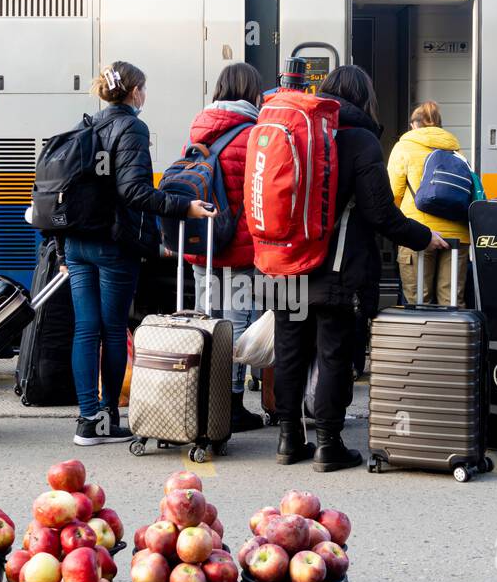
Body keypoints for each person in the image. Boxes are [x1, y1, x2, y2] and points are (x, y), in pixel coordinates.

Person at [274, 65, 446, 472]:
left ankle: (287, 439)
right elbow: (380, 213)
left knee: (290, 350)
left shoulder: (299, 130)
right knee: (334, 351)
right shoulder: (360, 139)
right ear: (365, 98)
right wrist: (424, 237)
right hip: (336, 267)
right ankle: (328, 444)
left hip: (285, 261)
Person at [61, 61, 216, 447]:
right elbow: (134, 192)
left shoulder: (87, 126)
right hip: (113, 242)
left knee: (85, 329)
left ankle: (87, 420)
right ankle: (109, 418)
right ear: (134, 92)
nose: (145, 96)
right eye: (143, 89)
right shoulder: (131, 127)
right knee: (113, 329)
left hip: (76, 242)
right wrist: (186, 207)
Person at [185, 62, 264, 432]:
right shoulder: (253, 135)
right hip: (239, 247)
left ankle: (202, 401)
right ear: (252, 92)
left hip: (204, 243)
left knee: (205, 320)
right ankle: (230, 406)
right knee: (234, 326)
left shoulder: (198, 127)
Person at [387, 101, 470, 306]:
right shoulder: (456, 150)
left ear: (414, 125)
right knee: (452, 302)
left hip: (417, 232)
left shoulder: (403, 147)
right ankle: (452, 338)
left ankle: (419, 338)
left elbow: (393, 194)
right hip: (457, 236)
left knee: (418, 302)